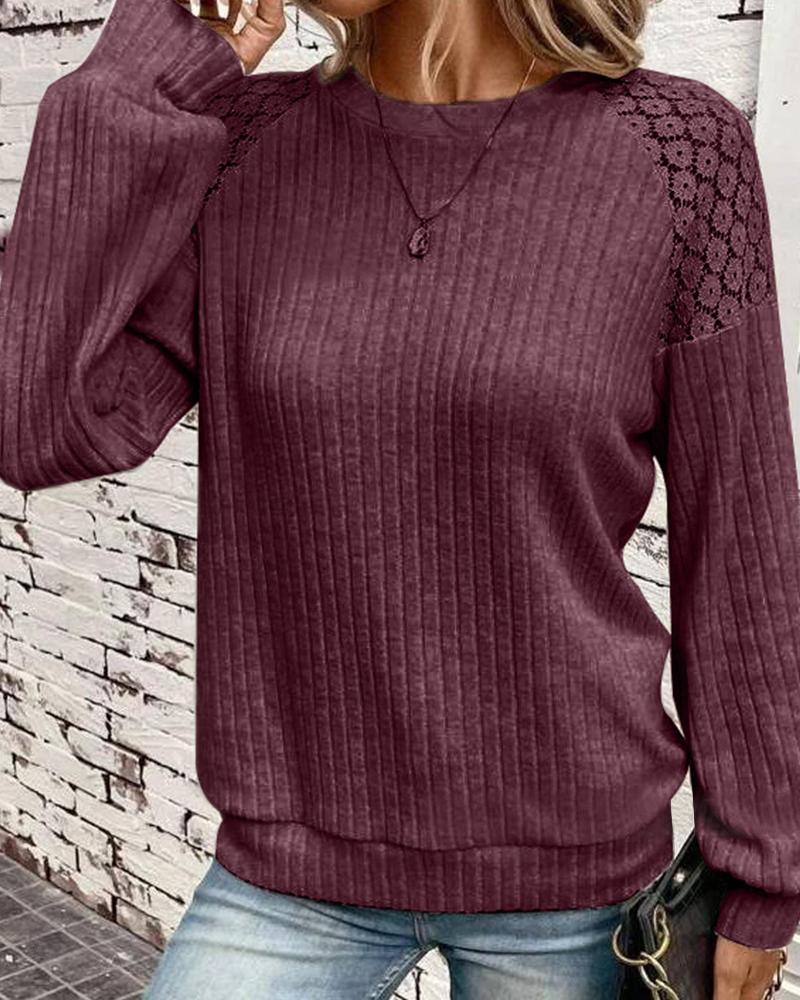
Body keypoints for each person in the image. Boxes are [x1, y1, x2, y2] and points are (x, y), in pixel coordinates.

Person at [1, 0, 798, 996]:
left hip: (575, 886)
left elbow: (742, 537)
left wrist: (761, 872)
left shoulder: (679, 153)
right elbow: (35, 424)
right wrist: (143, 74)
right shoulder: (243, 144)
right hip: (289, 877)